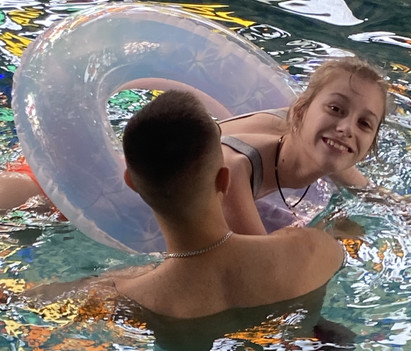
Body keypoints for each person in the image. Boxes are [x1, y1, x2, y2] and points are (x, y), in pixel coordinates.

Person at [1, 56, 411, 267]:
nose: (346, 128)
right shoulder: (239, 168)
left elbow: (393, 202)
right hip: (92, 185)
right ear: (300, 111)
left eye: (364, 124)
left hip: (143, 182)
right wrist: (332, 240)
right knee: (24, 204)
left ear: (370, 143)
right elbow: (256, 264)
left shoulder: (333, 159)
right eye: (335, 110)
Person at [23, 89, 345, 319]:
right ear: (224, 180)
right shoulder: (311, 249)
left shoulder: (132, 294)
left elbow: (29, 302)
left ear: (131, 183)